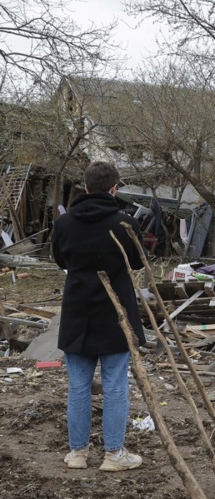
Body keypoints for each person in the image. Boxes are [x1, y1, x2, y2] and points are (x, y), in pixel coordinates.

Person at [52, 161, 145, 472]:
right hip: (115, 310)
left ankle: (77, 453)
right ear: (114, 188)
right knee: (115, 383)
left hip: (77, 309)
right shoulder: (125, 223)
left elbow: (59, 258)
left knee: (78, 385)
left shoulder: (64, 224)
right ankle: (114, 455)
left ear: (85, 186)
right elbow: (138, 262)